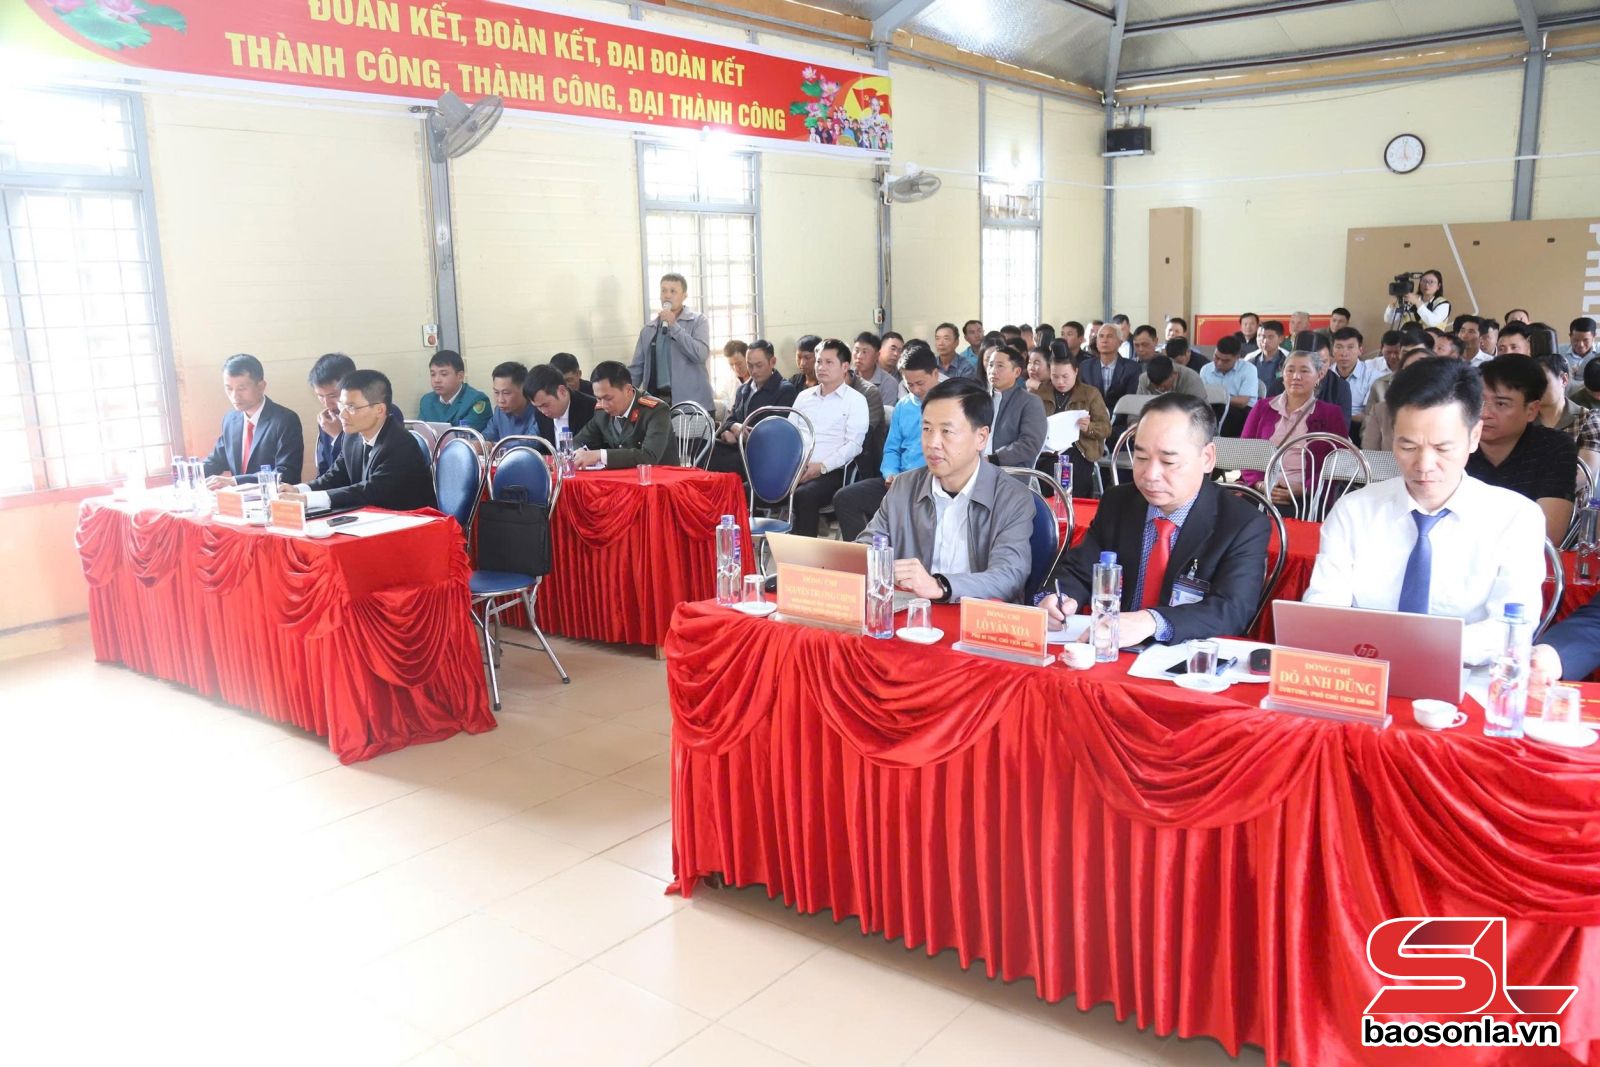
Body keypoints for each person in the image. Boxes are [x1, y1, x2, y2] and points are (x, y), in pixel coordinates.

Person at [1303, 358, 1544, 666]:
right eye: (1408, 447)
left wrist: (1417, 648)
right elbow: (1324, 605)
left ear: (1474, 436)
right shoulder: (1354, 511)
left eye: (1442, 448)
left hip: (1468, 677)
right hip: (1365, 671)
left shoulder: (1516, 518)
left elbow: (1511, 627)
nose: (1424, 465)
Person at [1038, 393, 1270, 644]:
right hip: (1112, 648)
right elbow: (1079, 570)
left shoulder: (1242, 523)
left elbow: (1232, 609)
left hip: (1186, 656)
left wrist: (1151, 621)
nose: (1150, 474)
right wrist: (1058, 599)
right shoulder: (1118, 502)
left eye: (1168, 461)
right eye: (1141, 458)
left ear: (1207, 458)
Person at [856, 378, 1035, 604]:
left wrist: (941, 586)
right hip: (913, 612)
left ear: (981, 438)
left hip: (977, 617)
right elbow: (867, 547)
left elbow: (1008, 575)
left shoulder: (1012, 497)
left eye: (946, 431)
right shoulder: (903, 487)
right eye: (927, 429)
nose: (932, 443)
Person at [282, 370, 435, 512]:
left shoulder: (401, 444)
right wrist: (298, 490)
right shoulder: (351, 437)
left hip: (411, 521)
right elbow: (336, 476)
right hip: (373, 517)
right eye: (341, 405)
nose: (342, 414)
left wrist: (307, 499)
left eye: (351, 407)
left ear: (379, 410)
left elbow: (370, 491)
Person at [835, 341, 941, 541]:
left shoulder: (950, 404)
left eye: (920, 383)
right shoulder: (904, 406)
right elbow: (892, 449)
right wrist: (890, 473)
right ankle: (863, 555)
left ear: (935, 374)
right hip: (899, 481)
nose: (915, 390)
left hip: (932, 482)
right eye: (909, 384)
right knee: (845, 498)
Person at [1465, 355, 1577, 544]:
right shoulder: (1456, 444)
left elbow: (1547, 535)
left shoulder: (1554, 447)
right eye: (1479, 401)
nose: (1484, 413)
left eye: (1501, 404)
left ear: (1531, 410)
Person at [1240, 349, 1348, 509]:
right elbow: (1244, 452)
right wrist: (1260, 484)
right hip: (1261, 490)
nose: (1296, 376)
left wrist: (1304, 488)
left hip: (1307, 496)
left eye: (1304, 371)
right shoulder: (1262, 407)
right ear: (1282, 374)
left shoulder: (1331, 414)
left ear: (1319, 375)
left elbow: (1339, 462)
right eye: (1290, 370)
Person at [785, 339, 868, 537]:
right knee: (749, 487)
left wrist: (821, 466)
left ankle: (804, 553)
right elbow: (789, 433)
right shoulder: (803, 397)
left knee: (804, 495)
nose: (821, 367)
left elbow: (854, 445)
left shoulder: (856, 401)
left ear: (845, 367)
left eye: (829, 362)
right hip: (796, 467)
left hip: (832, 471)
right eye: (819, 361)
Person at [201, 353, 304, 488]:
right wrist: (189, 473)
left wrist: (236, 481)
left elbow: (286, 473)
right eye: (229, 388)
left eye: (241, 388)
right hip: (237, 498)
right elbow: (216, 461)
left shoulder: (285, 420)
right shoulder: (230, 419)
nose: (234, 396)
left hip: (274, 497)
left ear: (261, 386)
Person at [707, 340, 796, 475]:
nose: (753, 371)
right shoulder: (744, 389)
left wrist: (742, 434)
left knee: (715, 462)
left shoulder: (785, 390)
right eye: (750, 365)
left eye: (759, 365)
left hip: (763, 455)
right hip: (739, 448)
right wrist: (732, 427)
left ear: (772, 362)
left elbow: (776, 433)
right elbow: (730, 420)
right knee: (702, 446)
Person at [629, 272, 713, 411]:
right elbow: (637, 369)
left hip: (692, 405)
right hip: (656, 404)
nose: (667, 295)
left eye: (673, 291)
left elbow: (701, 354)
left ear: (684, 296)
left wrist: (674, 326)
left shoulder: (698, 321)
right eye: (663, 291)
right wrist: (623, 395)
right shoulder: (649, 329)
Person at [571, 361, 675, 469]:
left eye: (608, 398)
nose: (603, 404)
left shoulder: (655, 410)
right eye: (598, 398)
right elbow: (578, 441)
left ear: (628, 390)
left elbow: (649, 456)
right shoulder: (601, 413)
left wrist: (600, 455)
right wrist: (581, 452)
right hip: (623, 476)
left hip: (660, 476)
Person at [1036, 348, 1111, 492]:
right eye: (1055, 376)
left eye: (1065, 376)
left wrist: (1089, 427)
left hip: (1080, 449)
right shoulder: (1042, 391)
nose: (1060, 382)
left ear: (1075, 372)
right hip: (1047, 449)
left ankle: (1068, 503)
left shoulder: (1090, 394)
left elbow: (1106, 428)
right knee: (1040, 467)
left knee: (1066, 469)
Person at [1267, 332, 1351, 430]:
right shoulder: (1278, 386)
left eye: (1324, 362)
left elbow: (1342, 429)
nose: (1320, 368)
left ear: (1330, 360)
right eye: (1313, 363)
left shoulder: (1340, 387)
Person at [1535, 352, 1600, 476]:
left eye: (1542, 382)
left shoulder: (1587, 420)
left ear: (1564, 379)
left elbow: (1583, 475)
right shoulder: (1524, 420)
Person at [984, 345, 1048, 468]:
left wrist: (992, 459)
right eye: (991, 365)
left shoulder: (1030, 402)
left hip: (1010, 472)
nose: (993, 371)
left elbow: (1029, 444)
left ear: (1017, 372)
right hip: (976, 467)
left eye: (1000, 366)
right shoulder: (980, 400)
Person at [1360, 346, 1431, 451]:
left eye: (1421, 368)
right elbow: (1369, 452)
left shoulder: (1448, 412)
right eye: (1408, 369)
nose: (1414, 374)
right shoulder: (1381, 411)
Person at [307, 352, 357, 479]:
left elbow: (357, 472)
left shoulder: (373, 413)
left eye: (333, 395)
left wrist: (339, 436)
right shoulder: (327, 420)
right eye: (320, 396)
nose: (327, 403)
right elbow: (324, 471)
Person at [1200, 335, 1261, 438]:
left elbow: (1242, 402)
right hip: (1213, 408)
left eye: (1226, 361)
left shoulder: (1249, 369)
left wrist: (1220, 398)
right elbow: (1202, 396)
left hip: (1241, 411)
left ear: (1237, 357)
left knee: (1223, 414)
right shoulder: (1206, 369)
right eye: (1216, 357)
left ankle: (1219, 444)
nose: (1219, 363)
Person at [524, 363, 597, 445]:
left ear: (562, 391)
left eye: (545, 405)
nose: (543, 411)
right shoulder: (539, 413)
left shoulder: (592, 408)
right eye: (538, 407)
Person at [418, 349, 490, 430]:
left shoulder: (476, 400)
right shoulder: (426, 401)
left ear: (460, 376)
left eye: (444, 374)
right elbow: (420, 432)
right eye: (433, 374)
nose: (436, 380)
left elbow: (466, 435)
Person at [1078, 322, 1141, 412]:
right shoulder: (1085, 366)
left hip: (1120, 417)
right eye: (1101, 336)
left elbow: (1131, 400)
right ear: (1096, 342)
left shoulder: (1132, 368)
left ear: (1120, 343)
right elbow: (1081, 397)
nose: (1104, 340)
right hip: (1091, 416)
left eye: (1110, 336)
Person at [1329, 327, 1381, 427]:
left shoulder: (1372, 376)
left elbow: (1369, 416)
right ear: (1332, 351)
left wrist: (1340, 415)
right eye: (1339, 347)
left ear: (1360, 350)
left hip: (1358, 428)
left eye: (1350, 347)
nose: (1344, 353)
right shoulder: (1325, 374)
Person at [484, 361, 537, 443]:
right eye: (496, 392)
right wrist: (477, 443)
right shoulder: (499, 411)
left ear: (523, 389)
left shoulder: (539, 412)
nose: (500, 400)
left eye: (506, 393)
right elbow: (487, 436)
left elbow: (530, 444)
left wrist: (493, 446)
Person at [1385, 268, 1452, 330]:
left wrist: (1417, 302)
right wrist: (1392, 305)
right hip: (1406, 337)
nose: (1426, 285)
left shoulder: (1443, 304)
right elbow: (1389, 320)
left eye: (1431, 282)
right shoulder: (1409, 299)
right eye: (1424, 281)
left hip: (1431, 338)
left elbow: (1432, 322)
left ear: (1438, 286)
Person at [853, 331, 900, 407]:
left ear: (876, 355)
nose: (859, 356)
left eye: (864, 352)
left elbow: (886, 413)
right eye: (857, 350)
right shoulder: (845, 377)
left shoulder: (888, 383)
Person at [1139, 354, 1206, 401]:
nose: (1161, 390)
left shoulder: (1192, 379)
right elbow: (1137, 406)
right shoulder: (1144, 379)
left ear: (1174, 375)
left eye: (1164, 387)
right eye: (1157, 388)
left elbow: (1201, 410)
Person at [1252, 320, 1289, 392]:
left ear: (1281, 339)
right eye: (1260, 336)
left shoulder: (1288, 362)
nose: (1265, 341)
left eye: (1270, 337)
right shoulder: (1251, 361)